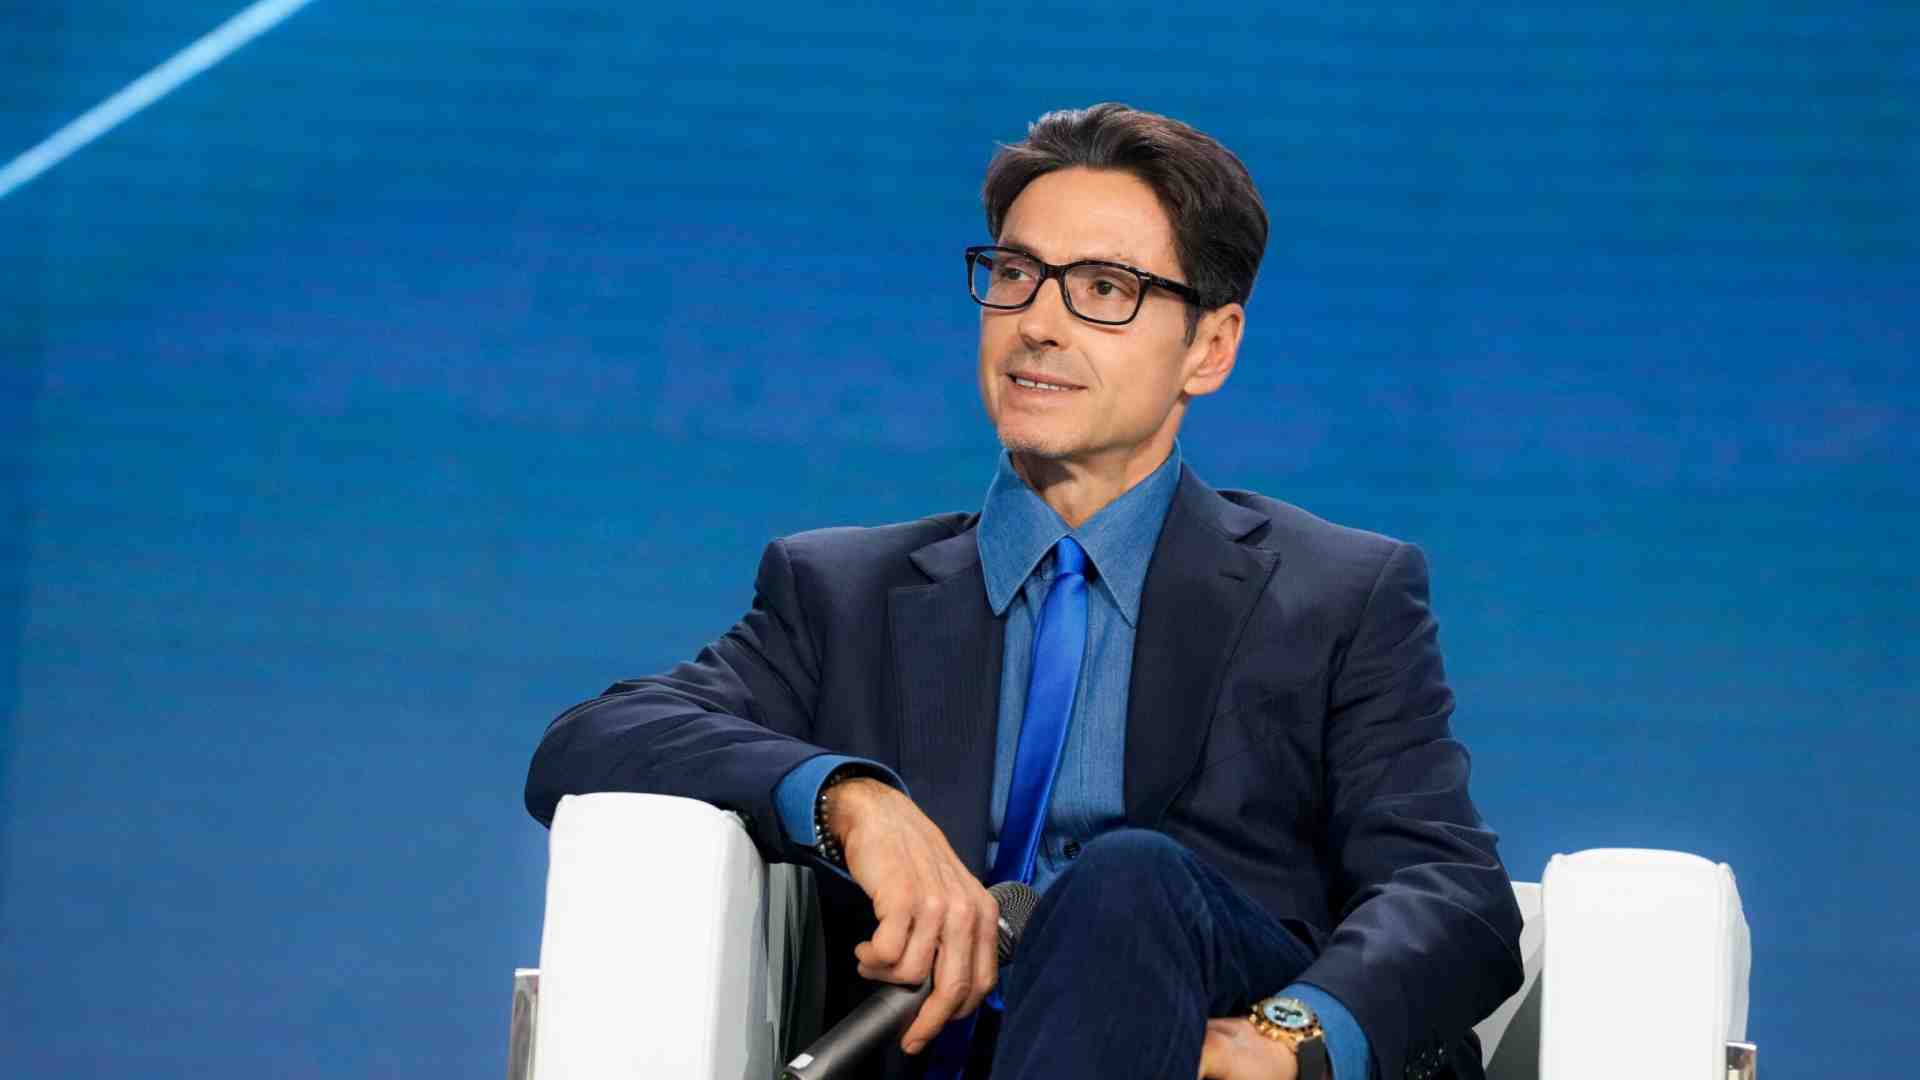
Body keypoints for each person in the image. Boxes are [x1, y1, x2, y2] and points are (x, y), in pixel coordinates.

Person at [524, 103, 1522, 1080]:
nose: (1037, 324)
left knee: (1127, 880)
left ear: (1210, 348)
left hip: (1215, 1043)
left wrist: (1285, 1038)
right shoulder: (842, 593)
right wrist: (852, 798)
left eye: (1104, 288)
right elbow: (594, 739)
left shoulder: (1335, 595)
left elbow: (1451, 891)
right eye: (1014, 275)